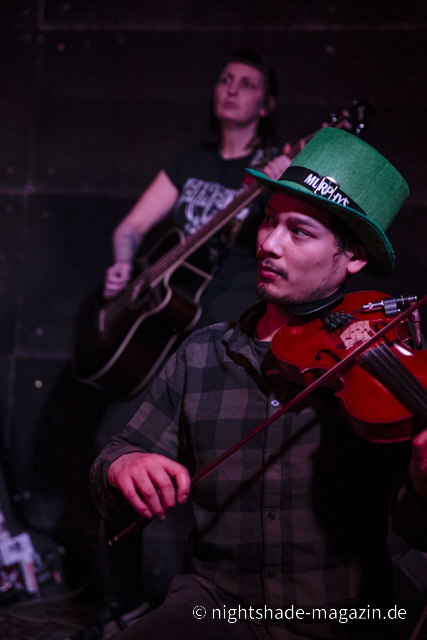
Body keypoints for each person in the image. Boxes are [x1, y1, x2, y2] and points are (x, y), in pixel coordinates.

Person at [90, 127, 427, 640]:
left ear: (354, 256)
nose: (268, 243)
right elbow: (116, 457)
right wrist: (123, 466)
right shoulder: (202, 353)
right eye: (269, 219)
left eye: (300, 232)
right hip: (214, 607)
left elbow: (416, 529)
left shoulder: (376, 375)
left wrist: (423, 484)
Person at [102, 48, 292, 327]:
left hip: (232, 310)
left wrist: (286, 187)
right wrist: (122, 262)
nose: (232, 90)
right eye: (225, 80)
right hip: (169, 307)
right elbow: (131, 227)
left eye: (247, 85)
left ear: (266, 106)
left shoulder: (274, 167)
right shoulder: (192, 159)